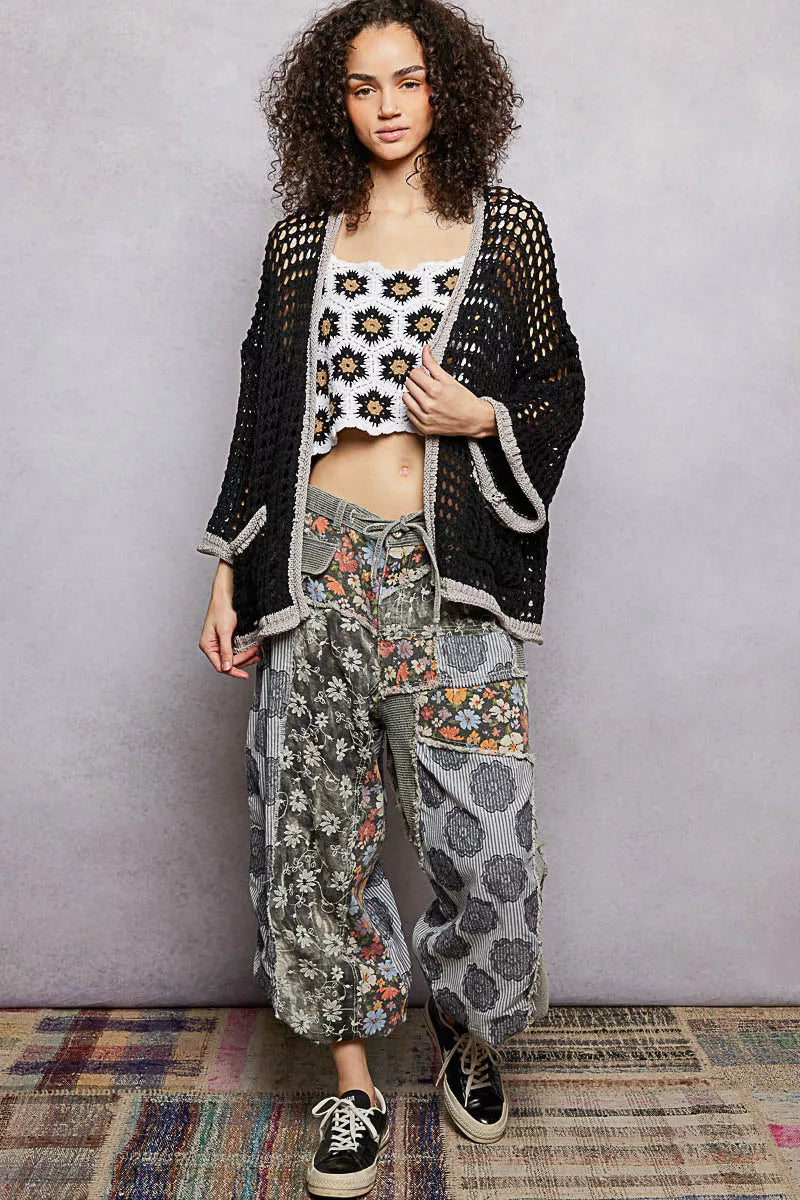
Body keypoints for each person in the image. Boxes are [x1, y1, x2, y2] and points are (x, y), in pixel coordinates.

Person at [197, 2, 585, 1193]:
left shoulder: (504, 229)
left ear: (445, 89)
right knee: (315, 835)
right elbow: (262, 413)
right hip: (314, 566)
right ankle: (354, 1087)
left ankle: (467, 1034)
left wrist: (481, 417)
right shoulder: (299, 242)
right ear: (334, 103)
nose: (386, 106)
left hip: (445, 572)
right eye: (362, 87)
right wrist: (228, 570)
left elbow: (557, 386)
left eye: (407, 81)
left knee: (491, 847)